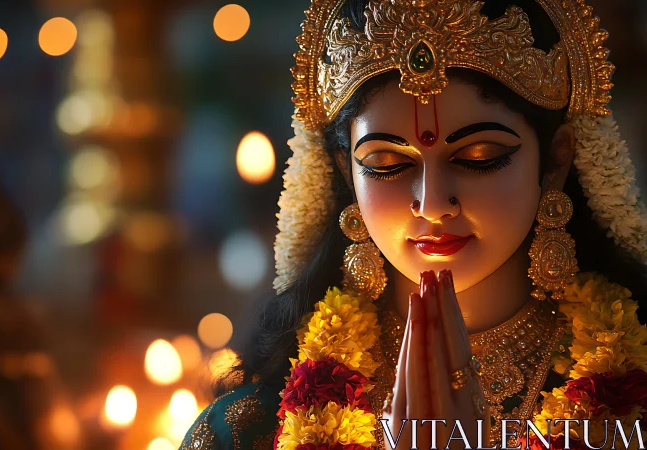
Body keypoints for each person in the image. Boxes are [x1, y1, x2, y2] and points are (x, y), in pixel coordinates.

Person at [180, 0, 647, 448]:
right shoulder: (251, 429)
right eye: (386, 163)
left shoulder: (631, 402)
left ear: (555, 162)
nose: (432, 203)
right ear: (347, 172)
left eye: (478, 157)